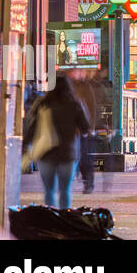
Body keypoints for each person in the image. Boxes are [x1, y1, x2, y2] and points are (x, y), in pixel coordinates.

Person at [23, 74, 91, 210]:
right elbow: (85, 128)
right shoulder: (75, 104)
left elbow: (31, 126)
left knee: (49, 191)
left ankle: (50, 220)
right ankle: (64, 218)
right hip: (68, 154)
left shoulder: (42, 103)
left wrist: (27, 144)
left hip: (46, 152)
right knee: (65, 191)